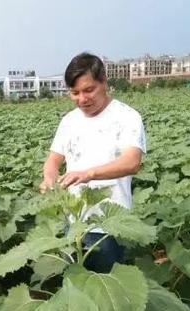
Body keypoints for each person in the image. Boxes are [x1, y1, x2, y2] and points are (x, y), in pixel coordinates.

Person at [39, 52, 146, 273]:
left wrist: (88, 174)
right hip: (74, 222)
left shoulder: (126, 117)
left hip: (109, 226)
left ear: (104, 82)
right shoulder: (69, 121)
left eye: (88, 90)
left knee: (110, 294)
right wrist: (49, 179)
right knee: (77, 290)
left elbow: (131, 162)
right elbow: (53, 160)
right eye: (75, 93)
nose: (82, 99)